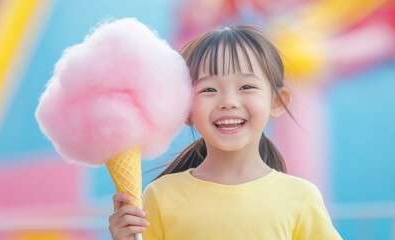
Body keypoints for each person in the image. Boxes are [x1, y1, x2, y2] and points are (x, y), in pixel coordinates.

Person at [109, 25, 342, 240]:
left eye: (246, 87)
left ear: (277, 102)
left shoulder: (301, 197)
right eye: (209, 89)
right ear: (186, 110)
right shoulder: (160, 196)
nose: (228, 102)